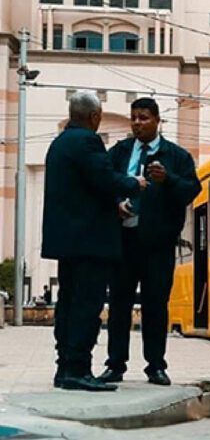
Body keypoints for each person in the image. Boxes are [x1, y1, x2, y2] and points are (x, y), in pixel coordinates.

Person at [41, 91, 147, 392]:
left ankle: (65, 368)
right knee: (87, 306)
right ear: (94, 117)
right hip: (90, 242)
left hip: (68, 242)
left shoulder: (59, 143)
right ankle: (78, 370)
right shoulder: (88, 141)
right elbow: (105, 179)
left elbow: (83, 188)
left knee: (69, 304)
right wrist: (134, 184)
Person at [99, 98, 200, 387]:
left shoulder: (176, 157)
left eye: (143, 118)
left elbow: (191, 190)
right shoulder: (119, 152)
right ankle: (115, 365)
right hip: (124, 240)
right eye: (134, 118)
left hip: (158, 244)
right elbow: (104, 182)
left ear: (157, 121)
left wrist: (168, 180)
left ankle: (155, 366)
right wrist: (116, 202)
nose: (137, 123)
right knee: (119, 304)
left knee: (156, 305)